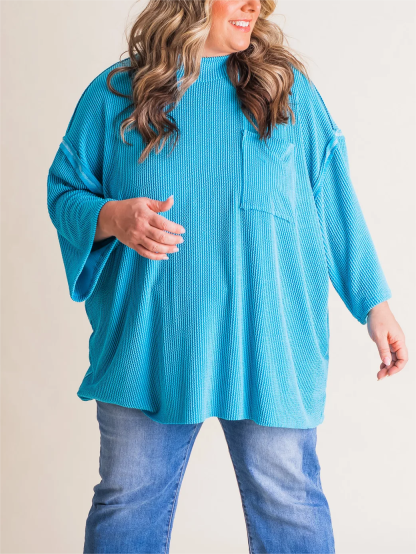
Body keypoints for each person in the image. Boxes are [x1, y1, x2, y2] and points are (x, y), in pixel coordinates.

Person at [47, 1, 408, 552]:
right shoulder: (118, 93)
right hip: (150, 347)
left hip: (270, 346)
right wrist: (112, 217)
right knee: (126, 507)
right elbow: (64, 191)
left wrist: (374, 304)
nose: (252, 5)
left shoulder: (286, 92)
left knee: (290, 506)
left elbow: (334, 202)